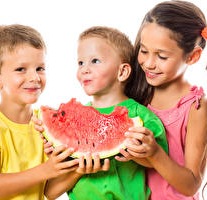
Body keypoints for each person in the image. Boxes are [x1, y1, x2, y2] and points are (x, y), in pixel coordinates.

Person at [34, 26, 168, 200]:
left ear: (122, 72)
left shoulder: (141, 118)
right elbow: (50, 193)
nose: (84, 69)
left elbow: (162, 169)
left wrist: (142, 152)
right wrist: (78, 170)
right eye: (80, 63)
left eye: (95, 61)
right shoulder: (72, 122)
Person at [123, 1, 207, 199]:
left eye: (162, 56)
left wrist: (155, 154)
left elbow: (191, 184)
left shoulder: (196, 108)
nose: (148, 63)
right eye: (143, 51)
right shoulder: (137, 92)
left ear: (192, 57)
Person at [0, 24, 79, 200]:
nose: (34, 77)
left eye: (40, 68)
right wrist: (46, 169)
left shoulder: (43, 125)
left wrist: (79, 169)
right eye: (20, 69)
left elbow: (48, 192)